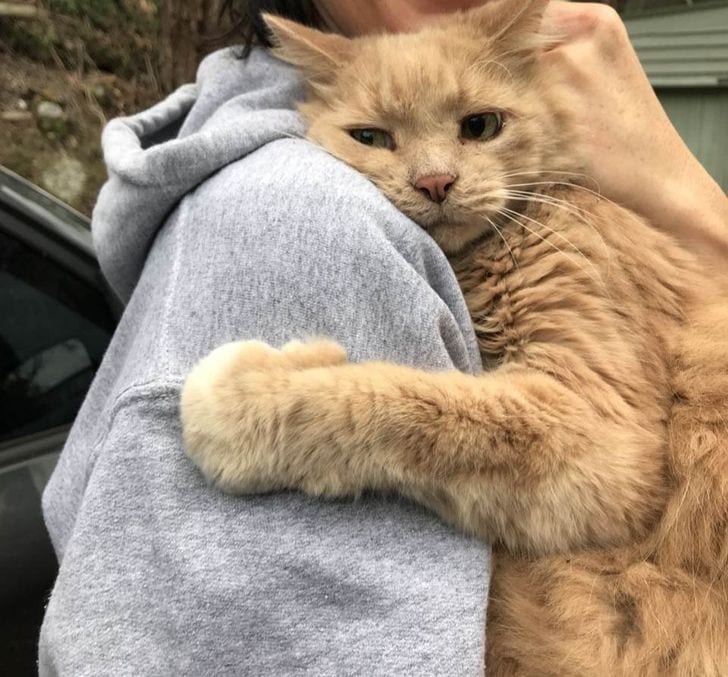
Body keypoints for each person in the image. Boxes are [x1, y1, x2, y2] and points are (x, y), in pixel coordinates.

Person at [39, 1, 727, 674]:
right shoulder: (289, 212)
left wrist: (326, 418)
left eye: (478, 125)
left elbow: (600, 473)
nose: (435, 176)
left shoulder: (572, 228)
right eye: (374, 137)